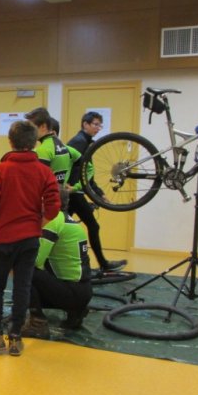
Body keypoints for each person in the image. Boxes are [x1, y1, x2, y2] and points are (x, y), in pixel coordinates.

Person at [0, 120, 60, 356]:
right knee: (23, 286)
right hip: (29, 240)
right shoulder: (44, 171)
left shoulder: (1, 170)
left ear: (10, 141)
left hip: (2, 239)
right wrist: (35, 226)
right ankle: (16, 337)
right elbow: (53, 207)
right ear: (33, 143)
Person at [22, 188, 93, 339]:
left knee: (25, 269)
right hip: (83, 289)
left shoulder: (53, 221)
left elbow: (36, 261)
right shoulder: (67, 219)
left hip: (73, 292)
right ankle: (76, 311)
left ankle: (37, 323)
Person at [67, 111, 127, 273]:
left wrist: (99, 193)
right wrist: (75, 189)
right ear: (85, 124)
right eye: (95, 124)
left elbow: (87, 173)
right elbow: (75, 172)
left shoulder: (86, 143)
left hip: (74, 191)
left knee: (62, 227)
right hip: (73, 192)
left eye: (100, 125)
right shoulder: (79, 142)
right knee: (93, 226)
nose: (98, 128)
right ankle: (103, 264)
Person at [25, 107, 80, 186]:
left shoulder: (42, 150)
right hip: (61, 195)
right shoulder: (66, 148)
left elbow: (38, 182)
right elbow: (88, 167)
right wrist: (76, 187)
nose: (29, 132)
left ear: (43, 127)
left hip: (47, 196)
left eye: (31, 128)